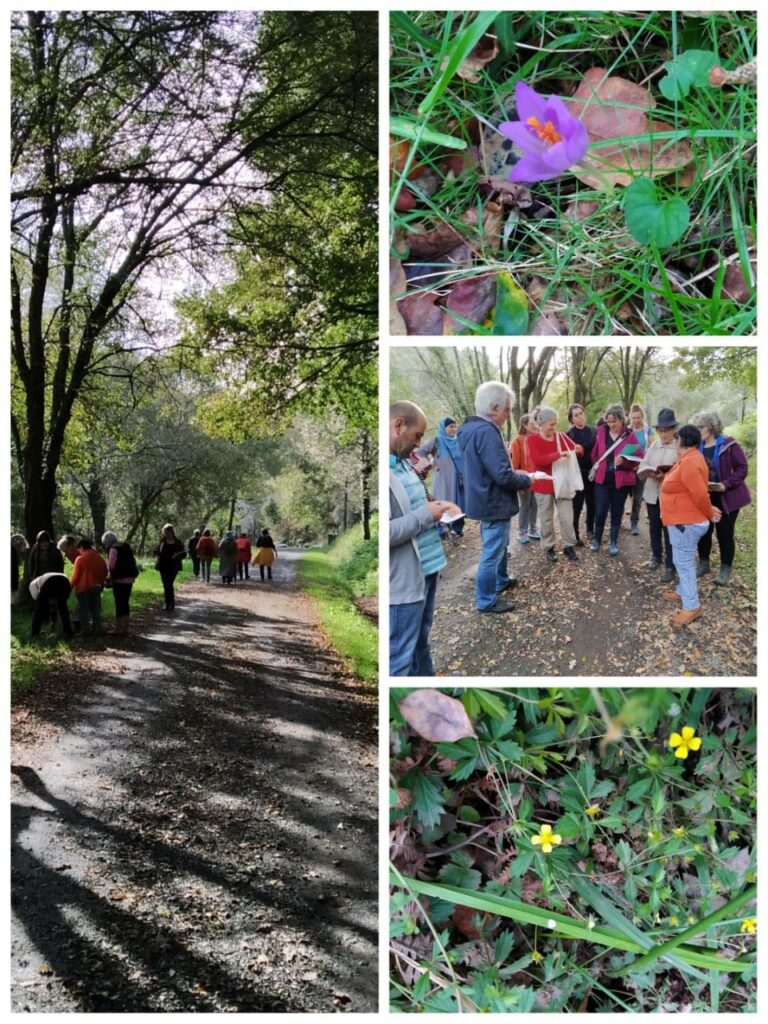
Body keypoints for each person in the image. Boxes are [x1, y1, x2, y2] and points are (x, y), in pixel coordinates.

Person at [389, 400, 460, 674]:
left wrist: (438, 506)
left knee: (420, 642)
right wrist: (424, 516)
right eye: (417, 435)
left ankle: (428, 687)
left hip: (427, 570)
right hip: (405, 582)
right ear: (398, 425)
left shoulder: (403, 464)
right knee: (400, 657)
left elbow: (416, 506)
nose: (419, 444)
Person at [457, 382, 533, 613]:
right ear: (493, 407)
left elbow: (488, 469)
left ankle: (500, 581)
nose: (508, 415)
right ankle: (486, 600)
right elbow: (502, 475)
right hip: (492, 501)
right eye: (507, 409)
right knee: (492, 551)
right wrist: (528, 479)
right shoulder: (487, 432)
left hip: (483, 498)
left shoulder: (468, 429)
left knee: (500, 545)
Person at [660, 425, 722, 626]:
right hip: (682, 520)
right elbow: (691, 489)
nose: (675, 443)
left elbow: (699, 493)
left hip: (686, 523)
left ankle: (692, 606)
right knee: (681, 560)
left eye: (677, 439)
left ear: (683, 441)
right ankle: (682, 592)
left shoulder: (691, 460)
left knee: (684, 563)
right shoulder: (689, 459)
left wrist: (709, 511)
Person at [692, 411, 751, 587]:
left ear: (711, 427)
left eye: (700, 427)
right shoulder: (697, 447)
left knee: (725, 533)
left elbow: (742, 468)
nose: (698, 430)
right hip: (706, 497)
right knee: (704, 531)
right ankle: (703, 563)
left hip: (727, 497)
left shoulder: (729, 444)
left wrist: (726, 484)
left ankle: (725, 568)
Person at [526, 406, 580, 563]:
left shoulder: (560, 437)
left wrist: (577, 449)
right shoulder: (532, 439)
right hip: (543, 485)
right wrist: (558, 454)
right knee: (546, 518)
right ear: (541, 424)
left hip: (562, 484)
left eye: (555, 424)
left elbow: (577, 449)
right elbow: (538, 460)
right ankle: (548, 547)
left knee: (566, 516)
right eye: (551, 424)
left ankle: (569, 545)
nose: (554, 428)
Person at [590, 404, 642, 556]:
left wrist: (623, 462)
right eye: (609, 421)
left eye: (614, 421)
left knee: (617, 512)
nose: (611, 425)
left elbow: (637, 458)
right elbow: (595, 454)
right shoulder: (601, 432)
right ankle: (597, 540)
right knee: (600, 512)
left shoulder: (629, 435)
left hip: (621, 482)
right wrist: (599, 468)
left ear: (622, 420)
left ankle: (613, 542)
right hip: (602, 481)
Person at [637, 408, 679, 583]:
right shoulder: (654, 446)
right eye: (660, 430)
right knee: (654, 527)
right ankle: (656, 557)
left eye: (667, 430)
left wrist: (666, 475)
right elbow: (643, 464)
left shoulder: (679, 447)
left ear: (673, 429)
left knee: (669, 531)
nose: (663, 433)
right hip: (652, 493)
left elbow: (682, 471)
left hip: (670, 497)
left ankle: (671, 565)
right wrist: (649, 472)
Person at [414, 416, 466, 541]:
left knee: (459, 502)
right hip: (443, 479)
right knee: (444, 501)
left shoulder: (459, 440)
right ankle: (443, 529)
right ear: (444, 428)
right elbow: (419, 452)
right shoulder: (437, 440)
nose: (454, 429)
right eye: (450, 427)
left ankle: (458, 530)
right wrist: (431, 463)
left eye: (455, 426)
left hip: (459, 479)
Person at [566, 403, 597, 545]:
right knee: (577, 505)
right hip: (577, 474)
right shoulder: (568, 435)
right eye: (576, 415)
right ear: (571, 419)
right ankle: (575, 533)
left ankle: (590, 528)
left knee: (592, 503)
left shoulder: (594, 431)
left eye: (581, 413)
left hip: (593, 473)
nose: (579, 417)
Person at [509, 414, 541, 544]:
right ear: (524, 425)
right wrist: (519, 483)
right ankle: (522, 531)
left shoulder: (538, 439)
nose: (535, 426)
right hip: (524, 479)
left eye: (535, 424)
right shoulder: (517, 441)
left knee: (535, 504)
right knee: (525, 505)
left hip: (537, 478)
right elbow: (514, 465)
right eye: (531, 424)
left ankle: (533, 529)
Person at [102, 531, 140, 634]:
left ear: (108, 541)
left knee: (119, 603)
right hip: (130, 579)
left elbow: (111, 566)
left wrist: (109, 575)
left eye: (104, 543)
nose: (105, 546)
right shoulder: (125, 546)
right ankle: (126, 628)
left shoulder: (113, 549)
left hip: (119, 580)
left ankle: (118, 629)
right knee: (125, 603)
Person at [70, 538, 108, 635]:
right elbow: (105, 571)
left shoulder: (80, 559)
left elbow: (76, 576)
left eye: (79, 549)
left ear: (81, 547)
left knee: (84, 610)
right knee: (96, 608)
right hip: (97, 586)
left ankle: (86, 630)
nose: (79, 551)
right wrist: (101, 582)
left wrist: (69, 587)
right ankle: (98, 628)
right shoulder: (99, 557)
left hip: (83, 588)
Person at [628, 404, 652, 536]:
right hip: (627, 468)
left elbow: (651, 448)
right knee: (623, 495)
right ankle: (617, 520)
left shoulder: (648, 430)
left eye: (638, 418)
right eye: (634, 418)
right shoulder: (627, 430)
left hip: (641, 467)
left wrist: (642, 463)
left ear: (642, 417)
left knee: (638, 497)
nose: (636, 420)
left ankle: (634, 523)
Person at [29, 572, 73, 639]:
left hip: (50, 582)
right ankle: (68, 632)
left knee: (38, 611)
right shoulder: (39, 581)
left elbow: (37, 599)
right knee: (63, 608)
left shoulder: (32, 585)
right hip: (65, 581)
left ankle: (35, 633)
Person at [154, 523, 185, 609]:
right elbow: (156, 551)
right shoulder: (162, 541)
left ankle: (171, 603)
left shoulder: (178, 542)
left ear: (172, 532)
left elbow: (184, 554)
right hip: (163, 566)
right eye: (165, 532)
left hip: (174, 566)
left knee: (169, 584)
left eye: (168, 532)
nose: (167, 534)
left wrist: (177, 555)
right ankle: (167, 603)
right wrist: (157, 552)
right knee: (165, 584)